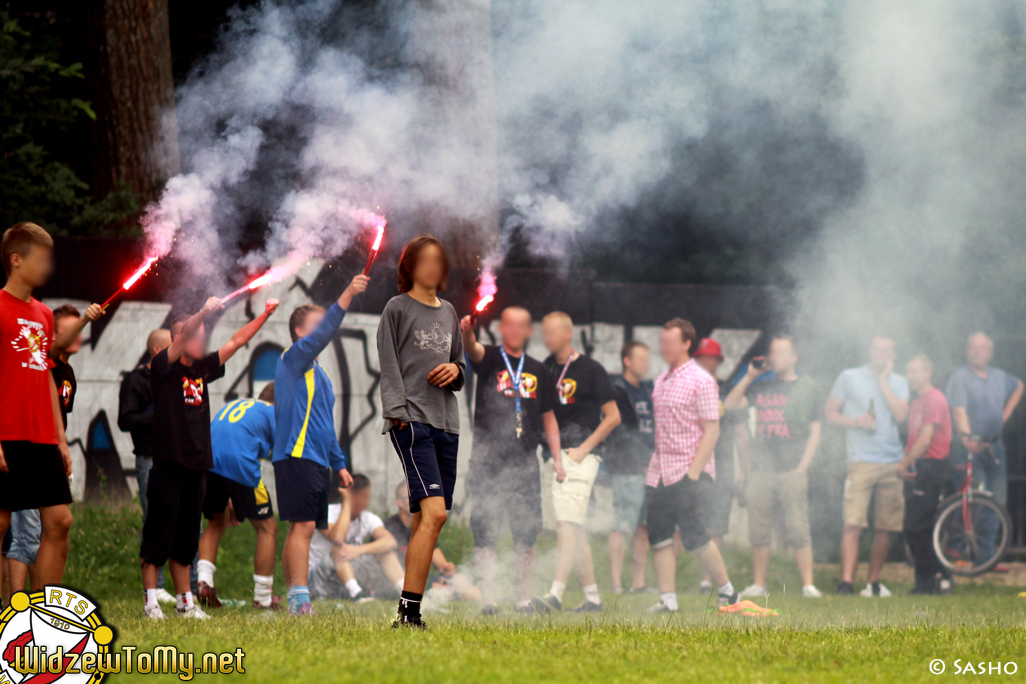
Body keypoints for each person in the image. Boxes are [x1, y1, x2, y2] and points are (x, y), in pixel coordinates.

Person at [141, 296, 279, 620]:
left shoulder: (202, 368)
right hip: (168, 465)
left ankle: (184, 602)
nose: (203, 337)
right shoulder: (164, 369)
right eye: (196, 333)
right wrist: (203, 310)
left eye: (204, 332)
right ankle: (150, 602)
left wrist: (265, 315)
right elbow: (188, 331)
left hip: (198, 466)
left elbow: (237, 341)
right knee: (159, 532)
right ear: (180, 339)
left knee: (188, 536)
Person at [378, 234, 465, 628]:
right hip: (411, 420)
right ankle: (409, 612)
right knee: (435, 512)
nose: (433, 266)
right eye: (425, 260)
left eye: (438, 260)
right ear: (409, 267)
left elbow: (459, 363)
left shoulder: (448, 312)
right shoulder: (396, 308)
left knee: (423, 519)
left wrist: (457, 371)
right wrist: (397, 412)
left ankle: (408, 614)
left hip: (447, 422)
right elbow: (388, 363)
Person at [274, 273, 367, 616]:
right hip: (295, 456)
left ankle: (294, 597)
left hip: (316, 461)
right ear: (300, 333)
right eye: (317, 324)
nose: (326, 329)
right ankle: (300, 600)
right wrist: (347, 294)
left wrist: (339, 464)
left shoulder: (322, 376)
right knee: (304, 527)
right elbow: (328, 329)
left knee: (303, 528)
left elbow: (326, 426)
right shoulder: (292, 359)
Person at [459, 305, 560, 614]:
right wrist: (466, 332)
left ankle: (523, 600)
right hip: (488, 462)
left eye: (521, 326)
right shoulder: (489, 358)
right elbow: (472, 349)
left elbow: (549, 419)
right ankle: (488, 600)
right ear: (501, 329)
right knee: (486, 530)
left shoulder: (539, 370)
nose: (515, 331)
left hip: (525, 463)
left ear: (530, 331)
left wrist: (557, 459)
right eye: (509, 325)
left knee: (526, 532)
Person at [644, 319, 746, 614]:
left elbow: (712, 430)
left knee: (694, 535)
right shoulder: (661, 379)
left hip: (690, 469)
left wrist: (693, 474)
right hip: (660, 470)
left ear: (687, 344)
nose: (664, 348)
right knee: (659, 534)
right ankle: (668, 601)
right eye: (662, 342)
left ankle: (728, 593)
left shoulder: (702, 380)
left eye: (670, 342)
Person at [0, 223, 76, 594]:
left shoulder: (44, 314)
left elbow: (46, 374)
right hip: (6, 434)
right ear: (16, 260)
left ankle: (46, 617)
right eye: (40, 259)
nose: (48, 268)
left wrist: (60, 439)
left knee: (60, 520)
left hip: (42, 437)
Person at [531, 311, 621, 614]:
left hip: (580, 457)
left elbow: (613, 417)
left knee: (566, 523)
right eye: (544, 333)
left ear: (568, 334)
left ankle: (555, 594)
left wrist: (582, 450)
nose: (547, 339)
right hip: (553, 457)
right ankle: (593, 598)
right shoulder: (544, 369)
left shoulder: (590, 369)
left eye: (553, 333)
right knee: (575, 526)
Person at [724, 334, 823, 598]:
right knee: (759, 530)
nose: (775, 358)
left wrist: (802, 467)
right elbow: (730, 405)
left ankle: (808, 585)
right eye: (773, 353)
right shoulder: (761, 387)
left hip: (792, 469)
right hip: (761, 470)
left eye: (781, 353)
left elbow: (816, 431)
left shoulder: (807, 387)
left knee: (798, 529)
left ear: (793, 358)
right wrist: (749, 376)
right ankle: (759, 584)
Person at [825, 335, 909, 597]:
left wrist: (883, 381)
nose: (880, 354)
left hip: (892, 461)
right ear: (869, 350)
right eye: (876, 349)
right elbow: (830, 412)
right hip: (860, 460)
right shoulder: (849, 376)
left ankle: (872, 583)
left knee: (885, 526)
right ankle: (846, 583)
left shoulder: (899, 382)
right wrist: (855, 421)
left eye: (886, 350)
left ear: (893, 354)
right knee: (853, 523)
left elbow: (900, 416)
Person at [197, 383, 279, 609]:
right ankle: (263, 598)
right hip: (240, 465)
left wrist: (233, 496)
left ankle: (204, 582)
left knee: (215, 522)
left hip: (208, 463)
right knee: (267, 528)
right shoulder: (273, 412)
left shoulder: (235, 404)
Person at [945, 332, 1023, 567]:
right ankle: (955, 548)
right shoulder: (960, 377)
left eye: (982, 348)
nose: (977, 351)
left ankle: (985, 558)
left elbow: (1020, 386)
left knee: (996, 501)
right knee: (975, 497)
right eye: (972, 347)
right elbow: (958, 410)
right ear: (967, 351)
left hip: (994, 447)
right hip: (966, 448)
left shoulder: (1000, 376)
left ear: (990, 353)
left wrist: (1004, 415)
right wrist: (968, 439)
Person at [118, 328, 174, 603]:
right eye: (173, 345)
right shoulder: (136, 380)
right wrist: (159, 410)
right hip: (150, 460)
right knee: (154, 519)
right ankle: (157, 586)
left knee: (187, 522)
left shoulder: (177, 376)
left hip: (177, 461)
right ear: (157, 350)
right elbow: (125, 420)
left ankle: (193, 586)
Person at [693, 337, 750, 595]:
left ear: (718, 361)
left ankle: (710, 581)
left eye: (711, 357)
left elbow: (741, 432)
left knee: (716, 526)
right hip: (692, 465)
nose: (706, 362)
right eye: (701, 357)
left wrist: (745, 470)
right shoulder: (687, 387)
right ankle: (669, 584)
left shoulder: (728, 390)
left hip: (723, 466)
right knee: (685, 525)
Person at [898, 355, 953, 594]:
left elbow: (925, 440)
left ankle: (942, 575)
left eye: (914, 371)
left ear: (927, 372)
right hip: (920, 468)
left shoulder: (935, 399)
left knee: (916, 526)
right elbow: (912, 442)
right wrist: (909, 466)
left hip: (934, 467)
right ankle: (924, 583)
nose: (910, 376)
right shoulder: (916, 402)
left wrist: (902, 465)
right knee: (913, 527)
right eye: (908, 372)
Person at [605, 341, 654, 595]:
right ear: (627, 360)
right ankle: (616, 583)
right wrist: (643, 460)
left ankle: (638, 582)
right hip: (627, 468)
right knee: (622, 524)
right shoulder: (618, 390)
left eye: (648, 359)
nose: (646, 364)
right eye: (641, 359)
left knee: (643, 527)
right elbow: (621, 431)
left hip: (649, 468)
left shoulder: (648, 389)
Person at [308, 474, 404, 601]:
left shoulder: (367, 517)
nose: (363, 501)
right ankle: (357, 595)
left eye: (366, 496)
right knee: (339, 549)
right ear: (347, 494)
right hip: (320, 581)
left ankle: (406, 593)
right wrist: (347, 503)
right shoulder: (326, 512)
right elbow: (338, 538)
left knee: (387, 553)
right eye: (358, 496)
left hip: (346, 579)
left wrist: (358, 550)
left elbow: (390, 542)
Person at [382, 480, 479, 603]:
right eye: (412, 497)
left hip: (428, 581)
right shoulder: (390, 526)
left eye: (420, 496)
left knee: (459, 580)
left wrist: (446, 569)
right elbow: (387, 564)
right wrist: (431, 586)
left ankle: (490, 605)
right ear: (399, 502)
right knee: (442, 591)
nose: (419, 501)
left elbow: (441, 564)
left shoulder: (423, 526)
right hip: (403, 583)